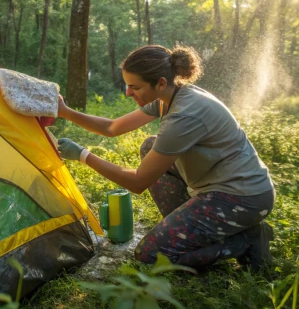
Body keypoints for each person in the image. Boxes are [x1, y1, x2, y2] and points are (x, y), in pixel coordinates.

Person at [56, 44, 275, 272]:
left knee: (150, 256)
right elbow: (113, 127)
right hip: (218, 185)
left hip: (243, 197)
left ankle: (247, 240)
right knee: (150, 146)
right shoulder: (170, 96)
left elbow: (138, 182)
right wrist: (65, 111)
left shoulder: (183, 116)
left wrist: (83, 155)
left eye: (135, 87)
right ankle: (185, 230)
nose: (128, 93)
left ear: (160, 82)